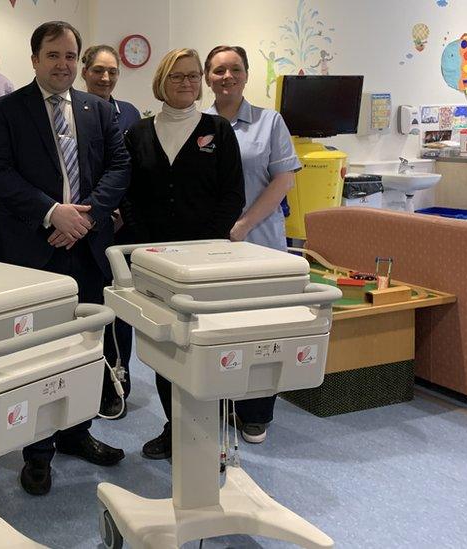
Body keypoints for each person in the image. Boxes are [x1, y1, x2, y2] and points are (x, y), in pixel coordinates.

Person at [0, 21, 129, 496]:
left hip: (85, 249)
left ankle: (77, 433)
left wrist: (82, 219)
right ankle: (37, 452)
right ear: (34, 60)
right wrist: (52, 214)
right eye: (53, 55)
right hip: (34, 251)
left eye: (70, 56)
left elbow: (118, 167)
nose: (63, 64)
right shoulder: (7, 109)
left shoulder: (97, 108)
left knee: (85, 348)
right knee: (39, 354)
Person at [120, 48, 245, 460]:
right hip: (155, 261)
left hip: (206, 262)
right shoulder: (137, 133)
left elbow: (232, 196)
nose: (188, 84)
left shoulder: (218, 130)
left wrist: (205, 248)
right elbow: (130, 194)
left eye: (194, 77)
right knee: (166, 347)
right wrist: (145, 245)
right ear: (161, 81)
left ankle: (208, 433)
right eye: (178, 77)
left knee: (206, 347)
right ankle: (176, 427)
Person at [204, 45, 301, 444]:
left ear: (246, 75)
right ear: (208, 78)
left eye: (235, 69)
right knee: (216, 331)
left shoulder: (268, 122)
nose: (227, 76)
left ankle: (256, 411)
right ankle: (217, 402)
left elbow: (283, 180)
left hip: (259, 243)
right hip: (209, 250)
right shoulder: (197, 123)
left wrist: (243, 226)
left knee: (260, 332)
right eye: (218, 70)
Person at [79, 43, 141, 419]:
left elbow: (132, 170)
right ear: (84, 71)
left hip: (120, 227)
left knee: (120, 310)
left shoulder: (130, 114)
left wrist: (120, 210)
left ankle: (118, 379)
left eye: (112, 71)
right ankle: (85, 382)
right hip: (80, 224)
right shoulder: (67, 111)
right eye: (98, 70)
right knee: (86, 307)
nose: (105, 78)